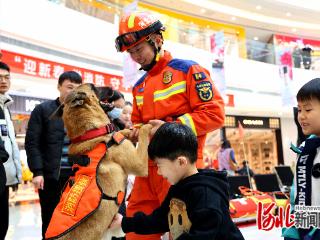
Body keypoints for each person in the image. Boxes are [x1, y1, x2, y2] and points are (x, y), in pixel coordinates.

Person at [115, 11, 224, 240]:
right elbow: (139, 122)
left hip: (180, 167)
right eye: (131, 52)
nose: (135, 57)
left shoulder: (188, 71)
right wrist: (136, 132)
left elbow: (214, 114)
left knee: (182, 232)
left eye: (138, 49)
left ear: (156, 40)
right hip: (147, 169)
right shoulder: (139, 87)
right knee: (137, 231)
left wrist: (167, 128)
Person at [109, 123, 244, 240]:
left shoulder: (207, 195)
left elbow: (202, 236)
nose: (158, 172)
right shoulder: (178, 188)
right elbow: (160, 219)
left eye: (159, 165)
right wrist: (124, 223)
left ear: (181, 162)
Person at [25, 71, 82, 239]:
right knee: (50, 219)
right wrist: (37, 172)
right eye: (69, 87)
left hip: (76, 177)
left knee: (73, 220)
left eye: (78, 89)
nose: (73, 92)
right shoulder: (42, 110)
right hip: (51, 176)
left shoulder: (82, 113)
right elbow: (32, 143)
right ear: (59, 87)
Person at [283, 78, 320, 240]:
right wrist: (293, 231)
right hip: (307, 228)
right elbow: (298, 193)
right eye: (299, 110)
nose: (302, 116)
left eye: (308, 110)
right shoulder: (306, 148)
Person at [0, 62, 21, 240]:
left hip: (4, 179)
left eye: (6, 77)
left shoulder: (5, 106)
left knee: (3, 226)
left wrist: (14, 176)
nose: (3, 81)